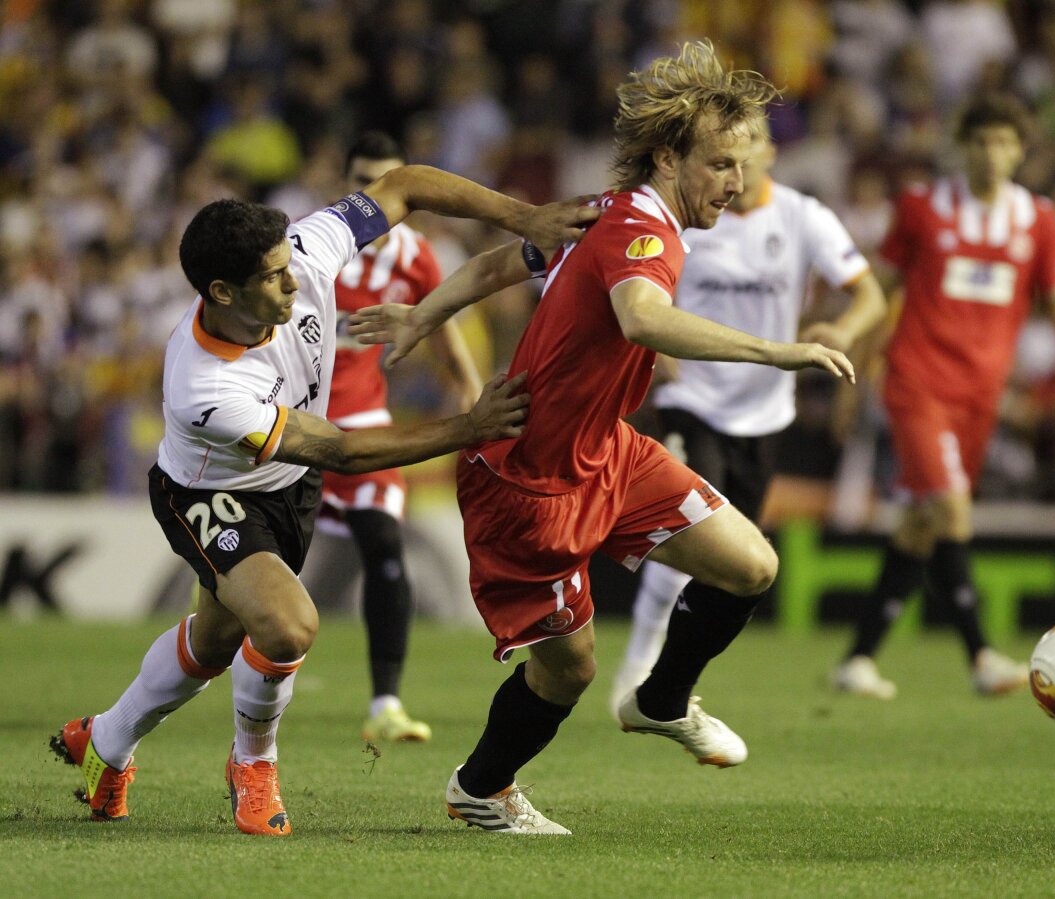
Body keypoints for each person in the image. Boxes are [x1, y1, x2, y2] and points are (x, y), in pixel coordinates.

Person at [351, 40, 854, 835]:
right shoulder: (640, 230)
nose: (736, 181)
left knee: (752, 565)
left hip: (609, 452)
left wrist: (425, 312)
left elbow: (500, 265)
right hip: (530, 479)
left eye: (742, 164)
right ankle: (480, 788)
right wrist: (775, 351)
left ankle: (662, 698)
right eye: (720, 164)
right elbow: (642, 318)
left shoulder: (604, 212)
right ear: (669, 157)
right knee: (569, 670)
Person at [49, 163, 597, 836]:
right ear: (222, 292)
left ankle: (104, 742)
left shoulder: (305, 252)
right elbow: (341, 451)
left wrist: (527, 217)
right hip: (209, 493)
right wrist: (470, 427)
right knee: (287, 625)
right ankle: (253, 763)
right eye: (273, 277)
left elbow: (406, 185)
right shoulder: (206, 386)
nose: (295, 280)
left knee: (216, 639)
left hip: (289, 485)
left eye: (288, 264)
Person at [609, 127, 888, 714]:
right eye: (727, 151)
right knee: (686, 530)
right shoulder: (689, 216)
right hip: (693, 400)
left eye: (752, 143)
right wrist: (653, 345)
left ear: (772, 151)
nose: (740, 161)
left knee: (730, 561)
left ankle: (666, 684)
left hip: (764, 413)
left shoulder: (802, 217)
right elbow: (640, 292)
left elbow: (871, 296)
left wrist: (843, 330)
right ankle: (639, 666)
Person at [830, 93, 1055, 699]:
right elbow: (880, 293)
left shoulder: (1038, 219)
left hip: (980, 397)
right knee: (952, 510)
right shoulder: (923, 207)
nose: (991, 153)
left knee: (921, 525)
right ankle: (980, 655)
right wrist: (853, 374)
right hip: (917, 382)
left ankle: (858, 659)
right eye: (981, 140)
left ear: (1021, 151)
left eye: (1004, 142)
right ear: (963, 145)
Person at [323, 132, 483, 744]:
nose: (377, 195)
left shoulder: (415, 256)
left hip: (364, 424)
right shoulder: (311, 247)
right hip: (291, 424)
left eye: (390, 183)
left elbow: (441, 328)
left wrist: (469, 392)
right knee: (266, 567)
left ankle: (385, 703)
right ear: (343, 186)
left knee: (385, 546)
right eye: (364, 181)